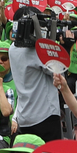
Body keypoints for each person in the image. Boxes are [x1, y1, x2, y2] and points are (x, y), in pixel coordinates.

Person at [7, 8, 66, 142]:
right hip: (45, 114)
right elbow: (57, 70)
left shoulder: (12, 48)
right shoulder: (36, 51)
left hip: (24, 115)